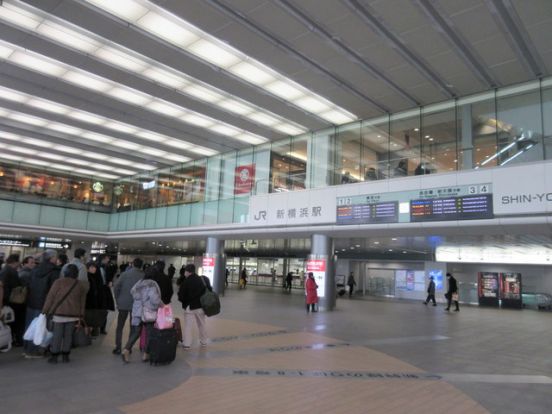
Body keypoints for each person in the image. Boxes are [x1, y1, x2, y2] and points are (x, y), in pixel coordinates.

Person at [43, 264, 87, 363]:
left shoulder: (58, 282)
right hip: (73, 315)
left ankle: (54, 356)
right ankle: (65, 356)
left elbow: (50, 297)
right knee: (68, 335)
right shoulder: (80, 285)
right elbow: (82, 302)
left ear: (65, 272)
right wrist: (81, 315)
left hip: (59, 313)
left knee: (57, 335)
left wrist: (45, 310)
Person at [23, 250, 60, 358]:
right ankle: (35, 351)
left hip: (31, 302)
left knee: (30, 325)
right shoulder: (54, 271)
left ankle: (26, 349)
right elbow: (54, 291)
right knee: (41, 327)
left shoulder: (35, 269)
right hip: (44, 304)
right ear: (52, 258)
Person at [121, 270, 162, 363]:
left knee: (136, 333)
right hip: (148, 313)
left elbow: (133, 292)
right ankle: (145, 354)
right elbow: (155, 300)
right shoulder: (152, 284)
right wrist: (161, 305)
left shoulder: (140, 283)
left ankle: (126, 350)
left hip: (138, 312)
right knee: (149, 334)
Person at [113, 257, 144, 355]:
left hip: (123, 303)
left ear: (133, 264)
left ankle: (118, 347)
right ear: (141, 266)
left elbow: (116, 286)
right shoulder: (143, 276)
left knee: (120, 326)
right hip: (137, 305)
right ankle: (128, 348)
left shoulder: (124, 274)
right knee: (133, 326)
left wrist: (118, 299)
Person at [177, 264, 211, 349]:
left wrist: (184, 302)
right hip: (200, 306)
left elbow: (181, 296)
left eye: (185, 271)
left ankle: (187, 344)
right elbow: (208, 290)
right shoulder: (201, 279)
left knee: (188, 326)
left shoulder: (185, 282)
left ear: (188, 272)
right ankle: (204, 341)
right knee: (202, 324)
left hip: (189, 307)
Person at [0, 254, 23, 346]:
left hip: (7, 299)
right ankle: (11, 339)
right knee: (11, 320)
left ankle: (10, 338)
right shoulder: (10, 271)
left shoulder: (6, 270)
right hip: (10, 299)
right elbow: (3, 286)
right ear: (16, 262)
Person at [85, 261, 107, 337]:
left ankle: (90, 334)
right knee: (88, 320)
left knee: (91, 320)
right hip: (88, 303)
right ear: (87, 268)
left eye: (95, 267)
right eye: (92, 267)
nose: (94, 269)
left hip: (94, 302)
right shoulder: (87, 277)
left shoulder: (95, 277)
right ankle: (87, 335)